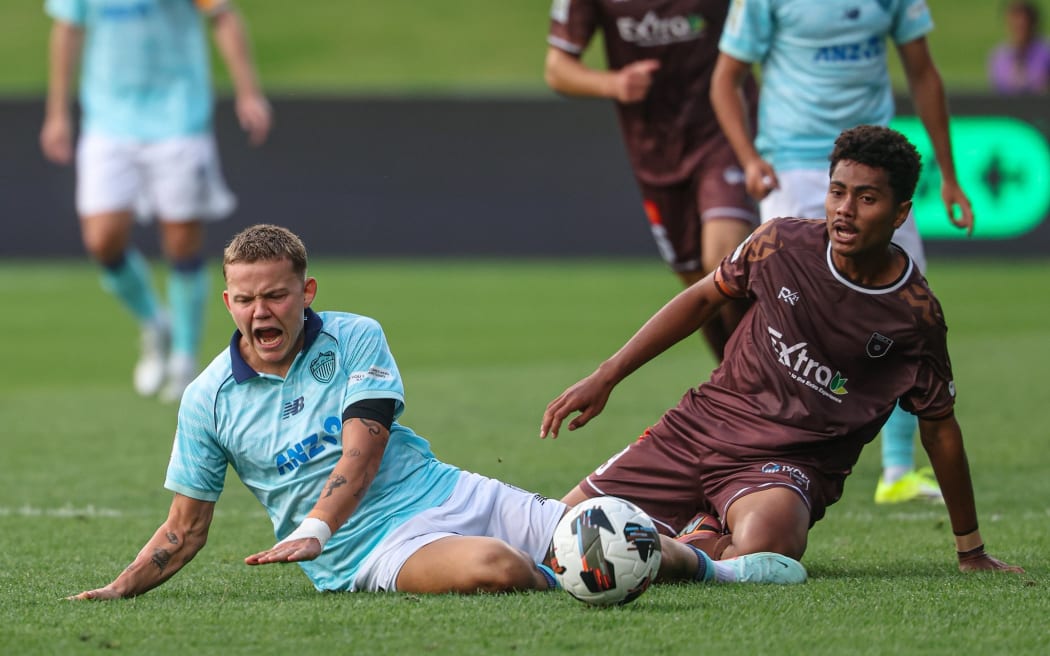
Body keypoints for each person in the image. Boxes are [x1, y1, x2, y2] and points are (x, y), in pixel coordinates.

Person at [68, 224, 806, 601]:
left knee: (605, 527)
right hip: (364, 552)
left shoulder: (355, 335)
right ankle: (589, 574)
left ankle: (725, 573)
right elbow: (184, 528)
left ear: (306, 291)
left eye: (276, 294)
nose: (262, 311)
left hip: (443, 491)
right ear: (227, 300)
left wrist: (312, 524)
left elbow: (362, 450)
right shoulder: (207, 399)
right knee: (496, 569)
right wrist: (120, 586)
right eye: (246, 297)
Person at [541, 126, 1023, 576]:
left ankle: (679, 547)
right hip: (699, 429)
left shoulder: (915, 317)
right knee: (557, 538)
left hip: (785, 466)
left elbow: (939, 428)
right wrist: (607, 375)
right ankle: (691, 540)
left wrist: (971, 549)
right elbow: (703, 298)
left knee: (764, 546)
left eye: (866, 197)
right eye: (838, 191)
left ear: (900, 213)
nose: (845, 210)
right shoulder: (779, 243)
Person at [709, 0, 975, 504]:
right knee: (777, 318)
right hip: (793, 166)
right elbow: (726, 77)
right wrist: (748, 157)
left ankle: (898, 470)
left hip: (877, 171)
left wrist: (951, 176)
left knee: (905, 313)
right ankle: (751, 453)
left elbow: (923, 72)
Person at [40, 0, 273, 403]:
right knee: (102, 240)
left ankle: (184, 359)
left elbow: (222, 15)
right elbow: (67, 28)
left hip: (178, 116)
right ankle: (154, 321)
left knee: (182, 241)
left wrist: (248, 92)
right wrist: (57, 112)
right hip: (108, 121)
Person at [545, 0, 759, 360]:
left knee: (723, 262)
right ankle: (738, 389)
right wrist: (614, 83)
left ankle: (763, 384)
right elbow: (557, 69)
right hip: (655, 149)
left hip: (722, 133)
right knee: (698, 288)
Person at [988, 1, 1050, 95]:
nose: (1020, 23)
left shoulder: (1046, 53)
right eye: (1015, 18)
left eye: (1025, 19)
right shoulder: (999, 57)